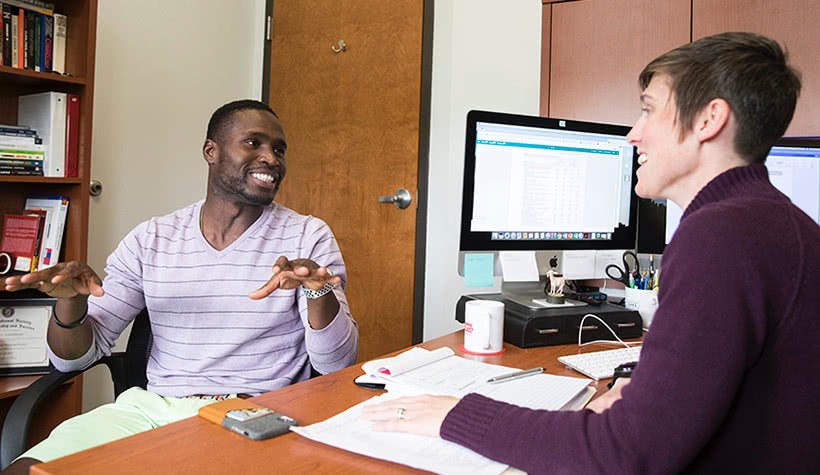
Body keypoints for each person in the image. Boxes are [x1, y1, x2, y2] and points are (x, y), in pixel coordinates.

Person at [363, 32, 820, 473]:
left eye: (648, 111)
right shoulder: (775, 222)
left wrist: (454, 415)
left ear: (708, 120)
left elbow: (620, 455)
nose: (632, 135)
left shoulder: (719, 236)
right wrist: (642, 390)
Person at [1, 99, 358, 472]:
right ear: (211, 151)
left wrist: (318, 291)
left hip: (253, 413)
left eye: (279, 149)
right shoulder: (152, 238)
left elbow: (336, 364)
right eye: (254, 143)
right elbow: (72, 358)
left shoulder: (307, 236)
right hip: (151, 410)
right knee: (28, 471)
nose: (271, 158)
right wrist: (72, 304)